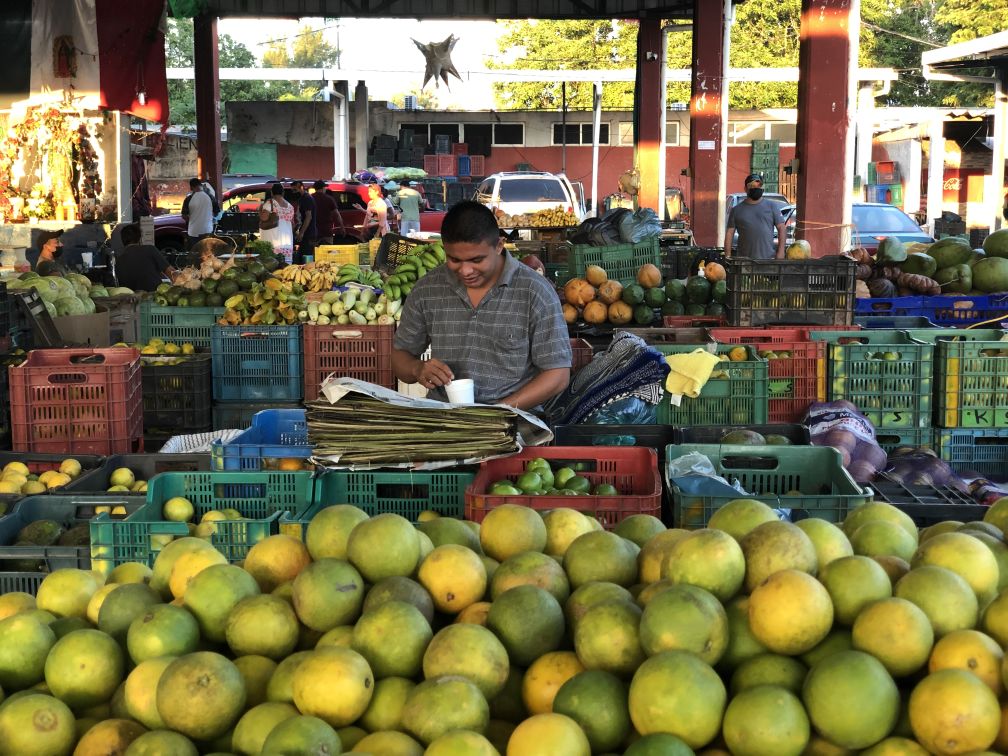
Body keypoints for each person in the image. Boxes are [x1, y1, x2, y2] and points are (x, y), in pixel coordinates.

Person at [391, 201, 572, 411]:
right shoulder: (428, 289)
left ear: (499, 246)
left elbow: (558, 375)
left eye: (476, 260)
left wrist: (497, 412)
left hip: (514, 418)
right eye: (454, 259)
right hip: (445, 417)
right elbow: (400, 357)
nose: (465, 270)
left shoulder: (535, 291)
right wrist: (417, 368)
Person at [724, 173, 787, 260]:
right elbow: (729, 234)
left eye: (759, 185)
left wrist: (781, 252)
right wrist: (727, 256)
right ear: (745, 189)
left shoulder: (772, 206)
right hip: (744, 261)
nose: (756, 188)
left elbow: (781, 228)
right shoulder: (736, 210)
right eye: (752, 186)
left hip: (768, 260)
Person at [115, 223, 175, 291]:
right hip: (154, 294)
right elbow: (171, 272)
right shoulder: (150, 249)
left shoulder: (119, 260)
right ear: (140, 239)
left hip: (131, 296)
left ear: (122, 240)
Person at [258, 183, 296, 264]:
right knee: (286, 267)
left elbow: (264, 218)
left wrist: (260, 209)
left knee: (272, 266)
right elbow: (293, 224)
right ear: (283, 193)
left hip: (273, 242)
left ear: (272, 193)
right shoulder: (290, 207)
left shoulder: (270, 203)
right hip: (287, 243)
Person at [181, 177, 214, 250]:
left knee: (195, 253)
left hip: (193, 231)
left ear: (191, 187)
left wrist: (193, 219)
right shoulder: (210, 197)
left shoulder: (188, 199)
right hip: (207, 230)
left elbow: (184, 216)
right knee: (207, 253)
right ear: (200, 185)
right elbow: (217, 212)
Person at [291, 180, 316, 263]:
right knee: (303, 256)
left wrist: (301, 233)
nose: (293, 192)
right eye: (292, 190)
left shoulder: (307, 198)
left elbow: (308, 216)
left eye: (295, 190)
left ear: (301, 187)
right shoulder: (302, 198)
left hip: (308, 233)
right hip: (306, 232)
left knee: (306, 257)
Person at [311, 180, 337, 246]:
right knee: (328, 250)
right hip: (327, 231)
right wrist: (342, 226)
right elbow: (336, 214)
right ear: (323, 188)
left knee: (313, 250)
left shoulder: (310, 198)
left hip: (313, 231)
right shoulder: (329, 199)